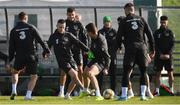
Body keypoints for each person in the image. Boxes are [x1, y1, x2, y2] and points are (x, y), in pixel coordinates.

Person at [117, 3, 155, 101]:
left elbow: (118, 36)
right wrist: (152, 49)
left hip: (130, 48)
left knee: (126, 71)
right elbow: (150, 34)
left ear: (126, 10)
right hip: (142, 48)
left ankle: (124, 95)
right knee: (143, 72)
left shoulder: (124, 21)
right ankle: (143, 95)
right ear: (133, 10)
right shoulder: (141, 19)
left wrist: (119, 46)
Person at [8, 12, 50, 100]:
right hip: (31, 55)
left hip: (19, 56)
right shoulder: (31, 27)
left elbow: (11, 47)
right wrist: (47, 50)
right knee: (34, 76)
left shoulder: (13, 30)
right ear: (26, 18)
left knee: (15, 72)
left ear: (18, 19)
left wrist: (10, 59)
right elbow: (41, 40)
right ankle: (28, 95)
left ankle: (14, 90)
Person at [47, 19, 89, 100]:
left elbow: (78, 43)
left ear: (65, 27)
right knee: (73, 75)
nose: (61, 29)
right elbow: (48, 46)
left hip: (70, 58)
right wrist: (46, 52)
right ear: (56, 26)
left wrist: (87, 49)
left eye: (63, 27)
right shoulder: (53, 36)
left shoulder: (68, 35)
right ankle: (84, 89)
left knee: (75, 76)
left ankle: (67, 94)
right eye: (60, 27)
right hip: (62, 60)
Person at [58, 7, 87, 97]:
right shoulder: (64, 23)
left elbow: (84, 36)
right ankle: (62, 91)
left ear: (75, 14)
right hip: (66, 51)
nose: (71, 16)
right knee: (63, 71)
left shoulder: (78, 24)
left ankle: (80, 91)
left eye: (73, 15)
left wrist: (86, 49)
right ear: (67, 14)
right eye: (69, 15)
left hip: (77, 51)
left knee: (80, 70)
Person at [83, 23, 111, 100]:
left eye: (87, 32)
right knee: (84, 73)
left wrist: (106, 68)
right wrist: (89, 54)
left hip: (101, 61)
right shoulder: (92, 38)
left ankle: (98, 94)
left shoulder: (101, 40)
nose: (87, 33)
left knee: (90, 73)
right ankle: (85, 91)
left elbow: (107, 56)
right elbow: (92, 50)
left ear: (91, 32)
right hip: (94, 59)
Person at [153, 15, 175, 96]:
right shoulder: (156, 32)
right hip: (159, 57)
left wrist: (168, 54)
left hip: (168, 57)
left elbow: (172, 45)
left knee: (170, 74)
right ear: (160, 22)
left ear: (167, 22)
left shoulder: (170, 32)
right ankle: (157, 91)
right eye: (161, 22)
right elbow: (155, 45)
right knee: (158, 74)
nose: (163, 24)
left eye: (164, 22)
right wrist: (160, 54)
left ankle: (171, 91)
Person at [98, 16, 118, 93]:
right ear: (103, 22)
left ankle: (113, 91)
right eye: (106, 21)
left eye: (108, 21)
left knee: (113, 75)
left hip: (112, 56)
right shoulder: (100, 32)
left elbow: (116, 42)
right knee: (100, 74)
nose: (107, 23)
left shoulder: (114, 31)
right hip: (102, 57)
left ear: (110, 22)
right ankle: (98, 91)